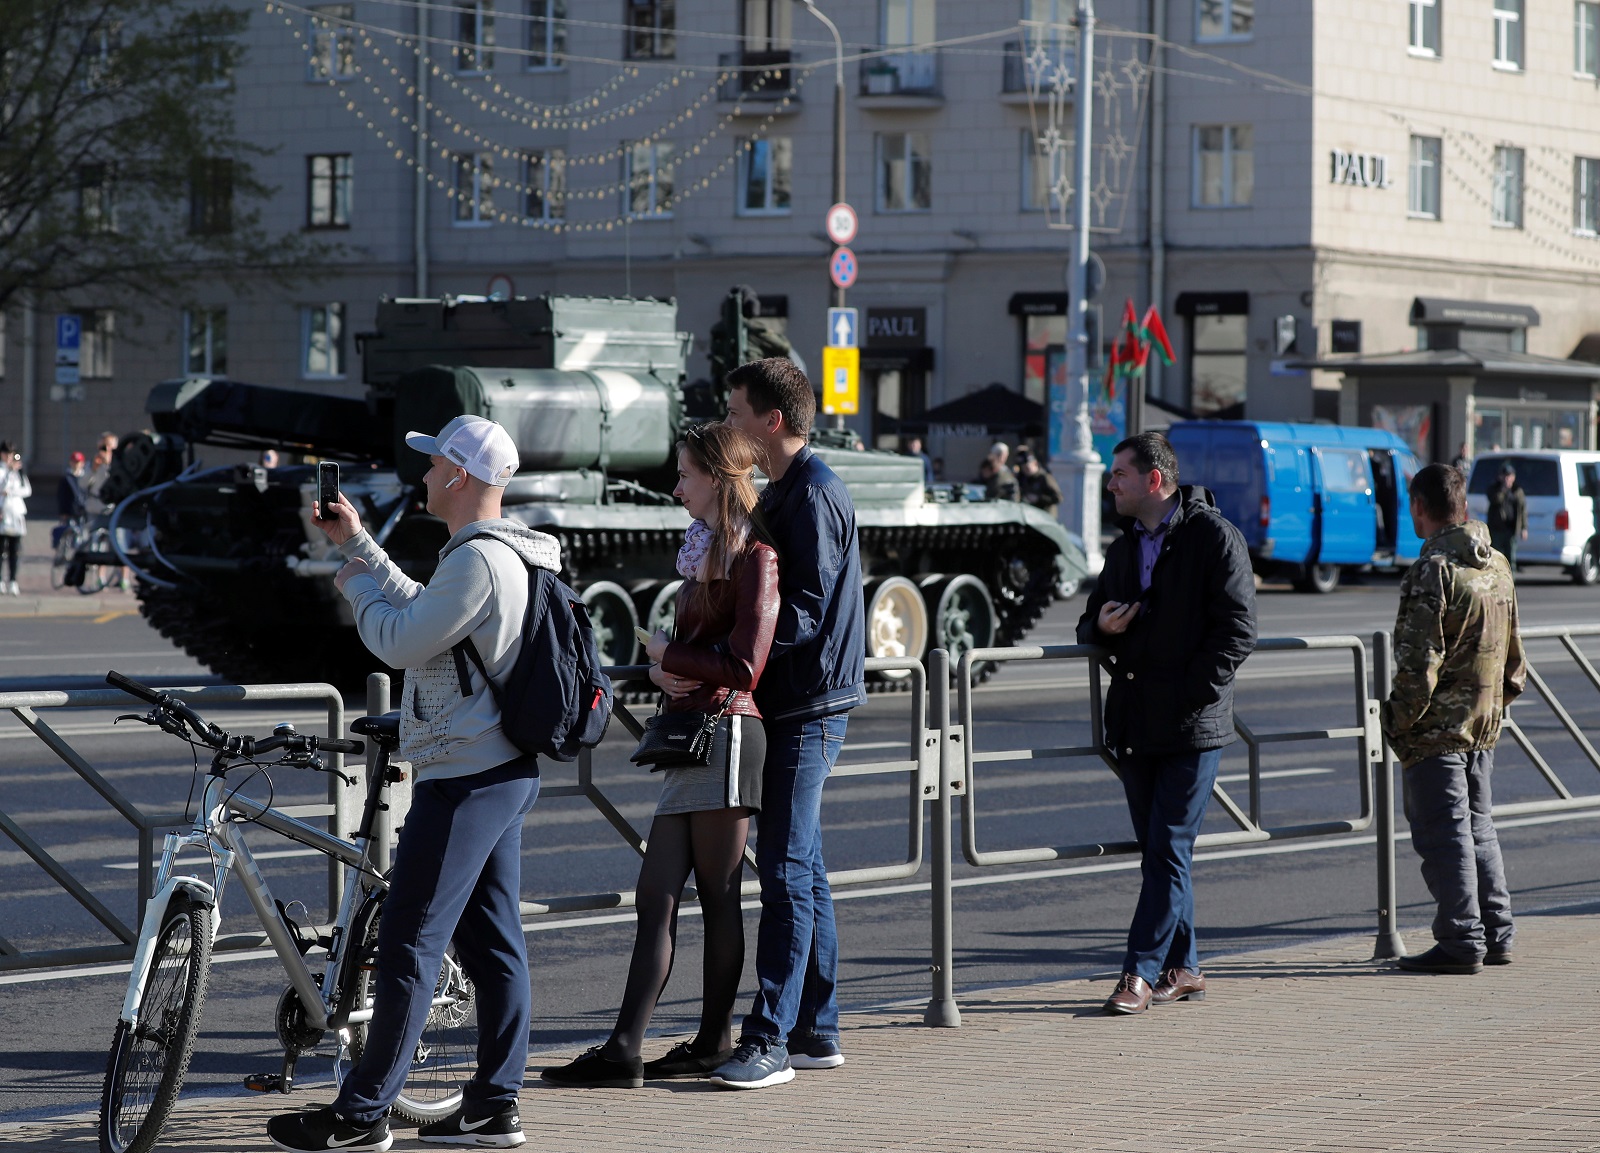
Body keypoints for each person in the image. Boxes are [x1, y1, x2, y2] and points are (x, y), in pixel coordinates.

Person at [267, 415, 554, 1153]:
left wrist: (355, 588)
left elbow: (398, 636)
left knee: (409, 944)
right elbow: (426, 611)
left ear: (459, 476)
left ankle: (362, 1114)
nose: (423, 475)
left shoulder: (480, 562)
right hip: (498, 769)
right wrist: (358, 546)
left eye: (433, 465)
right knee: (493, 945)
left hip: (466, 779)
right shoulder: (495, 555)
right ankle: (494, 1105)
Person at [541, 422, 778, 1087]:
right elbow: (706, 655)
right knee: (656, 894)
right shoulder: (704, 549)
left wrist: (664, 657)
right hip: (693, 731)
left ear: (719, 479)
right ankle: (626, 1048)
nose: (676, 488)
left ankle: (709, 1039)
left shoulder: (757, 555)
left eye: (685, 475)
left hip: (728, 733)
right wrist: (669, 674)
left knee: (719, 895)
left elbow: (746, 665)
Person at [716, 357, 866, 1090]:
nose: (729, 423)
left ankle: (770, 1037)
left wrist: (722, 653)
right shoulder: (792, 488)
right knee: (803, 867)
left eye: (737, 411)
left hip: (807, 704)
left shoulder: (809, 495)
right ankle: (817, 1029)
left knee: (781, 870)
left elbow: (800, 610)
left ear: (771, 421)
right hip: (803, 700)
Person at [1077, 432, 1256, 1015]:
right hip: (1135, 722)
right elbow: (1088, 622)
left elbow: (1237, 633)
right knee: (1162, 852)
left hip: (1189, 725)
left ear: (1154, 480)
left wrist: (1190, 696)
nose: (1111, 484)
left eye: (1119, 474)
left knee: (1168, 851)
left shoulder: (1213, 538)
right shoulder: (1126, 544)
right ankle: (1189, 966)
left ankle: (1139, 973)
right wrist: (1103, 628)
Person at [1381, 463, 1525, 975]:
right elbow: (1514, 661)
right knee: (1479, 830)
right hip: (1483, 724)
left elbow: (1419, 665)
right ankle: (1497, 932)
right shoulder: (1498, 565)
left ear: (1419, 507)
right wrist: (1491, 707)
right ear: (1463, 505)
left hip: (1437, 731)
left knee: (1445, 836)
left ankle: (1463, 940)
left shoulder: (1434, 570)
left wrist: (1396, 722)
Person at [1484, 462, 1527, 573]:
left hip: (1511, 529)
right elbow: (1495, 500)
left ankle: (1511, 584)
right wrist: (1503, 489)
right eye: (1505, 476)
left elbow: (1522, 510)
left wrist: (1524, 528)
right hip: (1497, 529)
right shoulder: (1494, 489)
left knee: (1510, 560)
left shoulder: (1517, 491)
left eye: (1509, 476)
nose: (1507, 478)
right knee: (1495, 558)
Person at [0, 443, 30, 596]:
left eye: (12, 454)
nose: (10, 457)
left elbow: (27, 490)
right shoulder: (1, 471)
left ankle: (12, 581)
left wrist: (11, 491)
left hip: (15, 514)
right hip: (2, 514)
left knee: (14, 550)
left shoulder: (18, 472)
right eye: (7, 453)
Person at [1015, 446, 1063, 517]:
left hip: (1046, 517)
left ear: (1035, 463)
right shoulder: (1024, 478)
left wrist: (1039, 498)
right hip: (1033, 516)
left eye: (1028, 467)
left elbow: (1058, 498)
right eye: (1023, 468)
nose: (1025, 470)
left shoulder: (1044, 477)